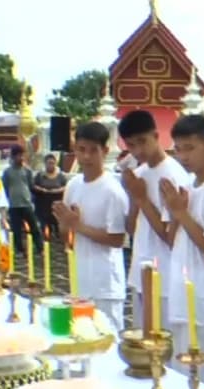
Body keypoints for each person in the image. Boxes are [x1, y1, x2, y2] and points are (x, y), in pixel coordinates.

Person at [160, 114, 204, 381]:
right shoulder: (186, 186)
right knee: (181, 373)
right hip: (180, 292)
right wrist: (174, 211)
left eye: (190, 148)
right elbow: (171, 241)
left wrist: (181, 213)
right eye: (179, 149)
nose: (183, 156)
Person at [118, 109, 190, 332]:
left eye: (142, 141)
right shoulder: (138, 174)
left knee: (163, 349)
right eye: (131, 145)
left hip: (166, 278)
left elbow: (171, 237)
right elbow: (131, 228)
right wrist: (132, 196)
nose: (138, 150)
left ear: (157, 137)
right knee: (142, 345)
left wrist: (142, 198)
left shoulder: (174, 175)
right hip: (140, 270)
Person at [53, 122, 129, 331]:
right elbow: (66, 236)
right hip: (80, 279)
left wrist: (78, 225)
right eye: (81, 150)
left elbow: (117, 239)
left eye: (93, 151)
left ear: (104, 151)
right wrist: (65, 224)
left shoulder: (112, 190)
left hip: (105, 284)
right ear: (75, 149)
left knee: (108, 340)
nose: (86, 157)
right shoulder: (73, 185)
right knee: (82, 338)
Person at [3, 145, 42, 256]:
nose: (21, 158)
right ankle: (20, 250)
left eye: (22, 155)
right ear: (13, 157)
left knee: (34, 227)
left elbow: (30, 186)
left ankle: (40, 248)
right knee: (16, 229)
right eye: (18, 155)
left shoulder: (27, 171)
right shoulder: (7, 172)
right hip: (14, 205)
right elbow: (5, 187)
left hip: (26, 203)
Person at [33, 153, 68, 240]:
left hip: (56, 203)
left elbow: (66, 187)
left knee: (57, 222)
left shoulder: (60, 176)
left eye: (53, 163)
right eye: (49, 163)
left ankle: (58, 238)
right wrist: (42, 189)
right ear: (45, 164)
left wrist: (57, 190)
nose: (51, 165)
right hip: (43, 204)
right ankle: (47, 239)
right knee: (45, 224)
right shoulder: (40, 176)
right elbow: (33, 186)